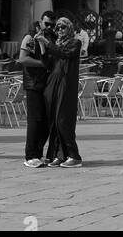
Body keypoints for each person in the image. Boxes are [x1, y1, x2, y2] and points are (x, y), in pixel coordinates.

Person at [40, 16, 82, 167]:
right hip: (53, 82)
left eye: (63, 27)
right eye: (57, 28)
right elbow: (48, 63)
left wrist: (48, 44)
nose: (59, 30)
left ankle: (74, 155)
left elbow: (65, 54)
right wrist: (43, 48)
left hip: (66, 84)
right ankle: (59, 155)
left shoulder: (75, 42)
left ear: (69, 28)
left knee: (62, 119)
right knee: (54, 121)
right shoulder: (56, 44)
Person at [19, 10, 56, 167]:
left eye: (52, 25)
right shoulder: (30, 37)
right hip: (33, 83)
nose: (49, 27)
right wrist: (43, 64)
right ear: (40, 22)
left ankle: (38, 152)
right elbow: (22, 59)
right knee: (34, 120)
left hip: (47, 84)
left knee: (46, 120)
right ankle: (30, 155)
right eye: (47, 23)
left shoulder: (51, 38)